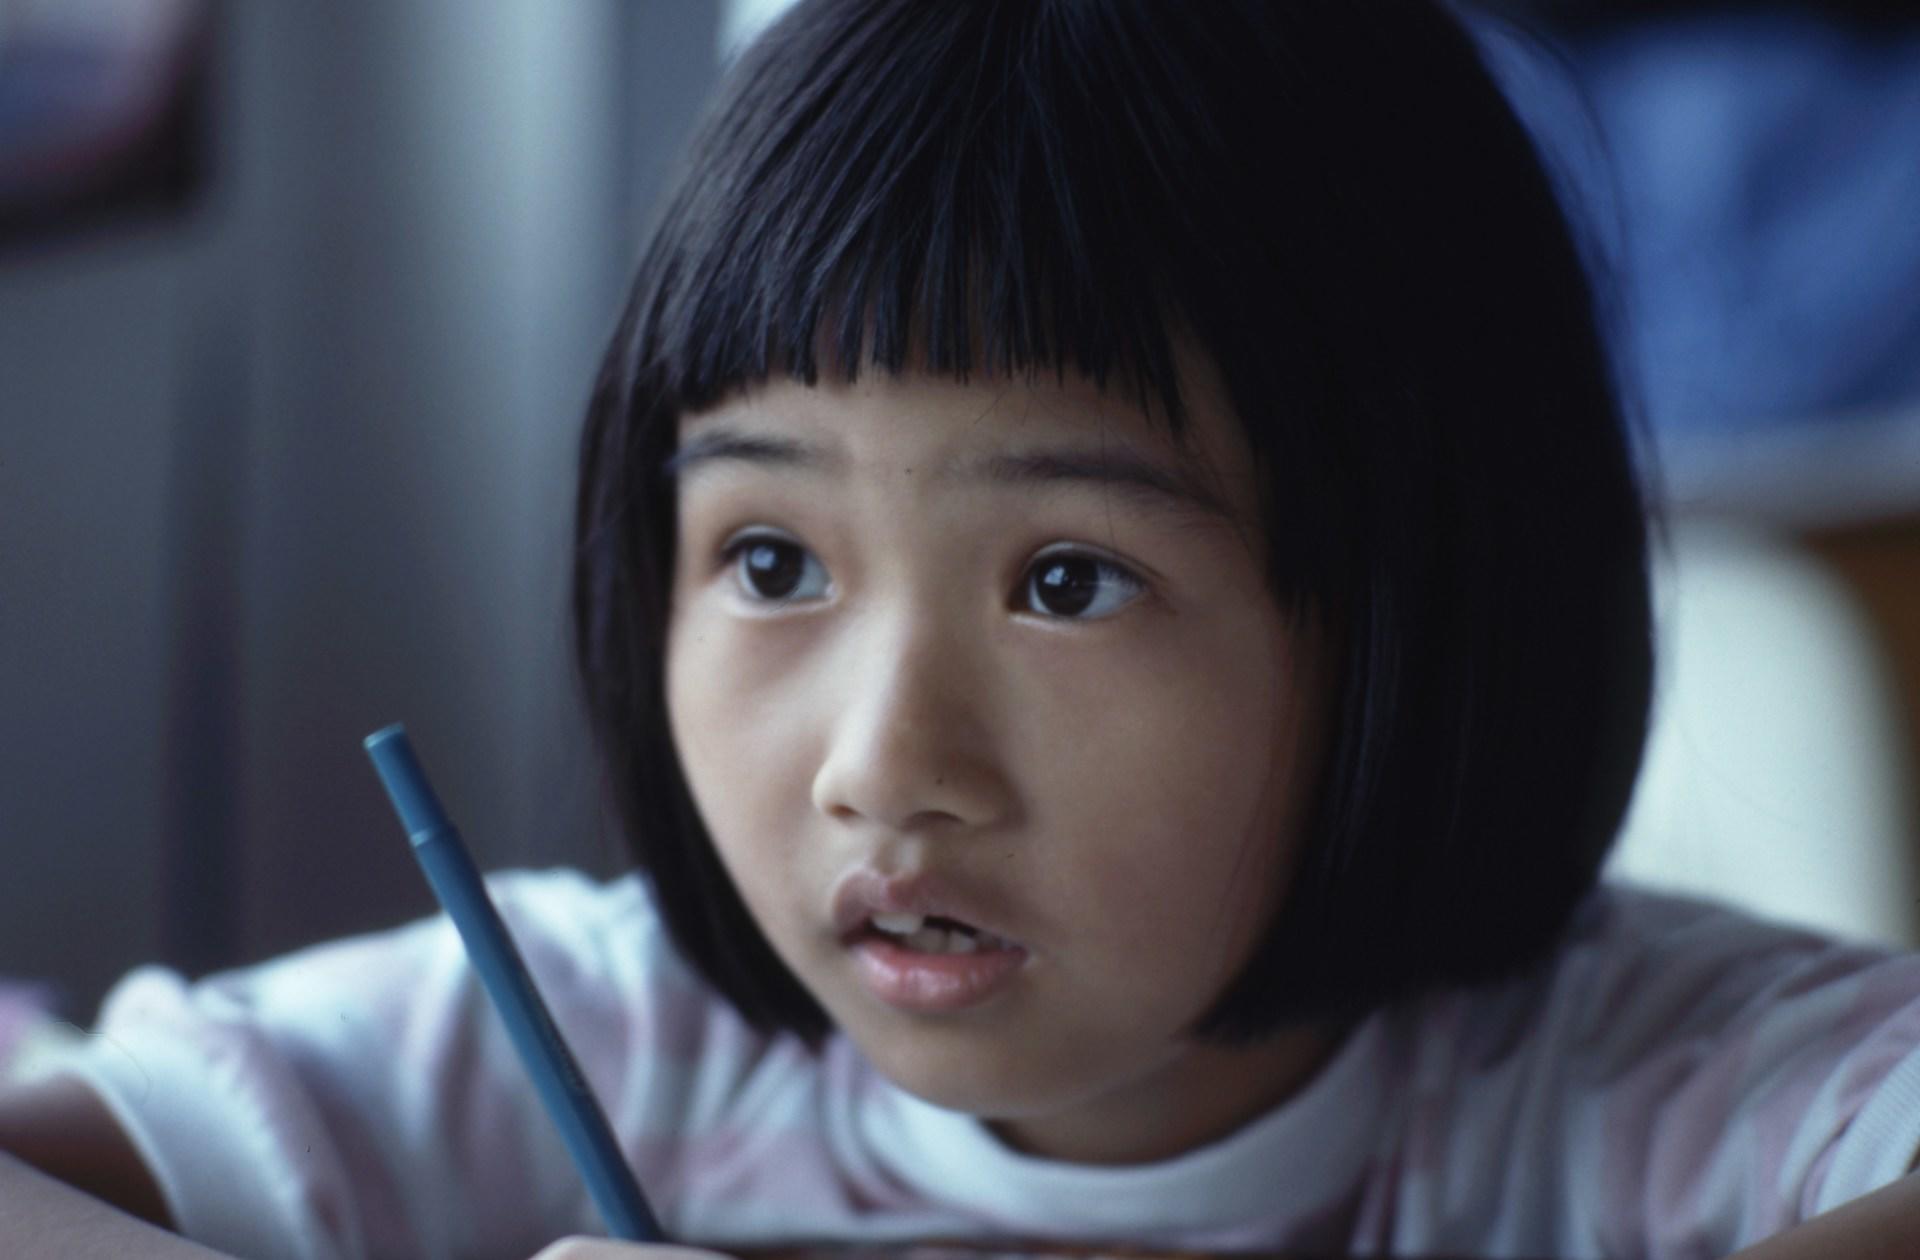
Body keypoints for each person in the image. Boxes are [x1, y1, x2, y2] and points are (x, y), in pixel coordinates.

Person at [4, 2, 1919, 1257]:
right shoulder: (602, 1040)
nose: (879, 763)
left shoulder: (1632, 1098)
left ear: (1420, 614)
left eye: (1066, 580)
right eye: (772, 563)